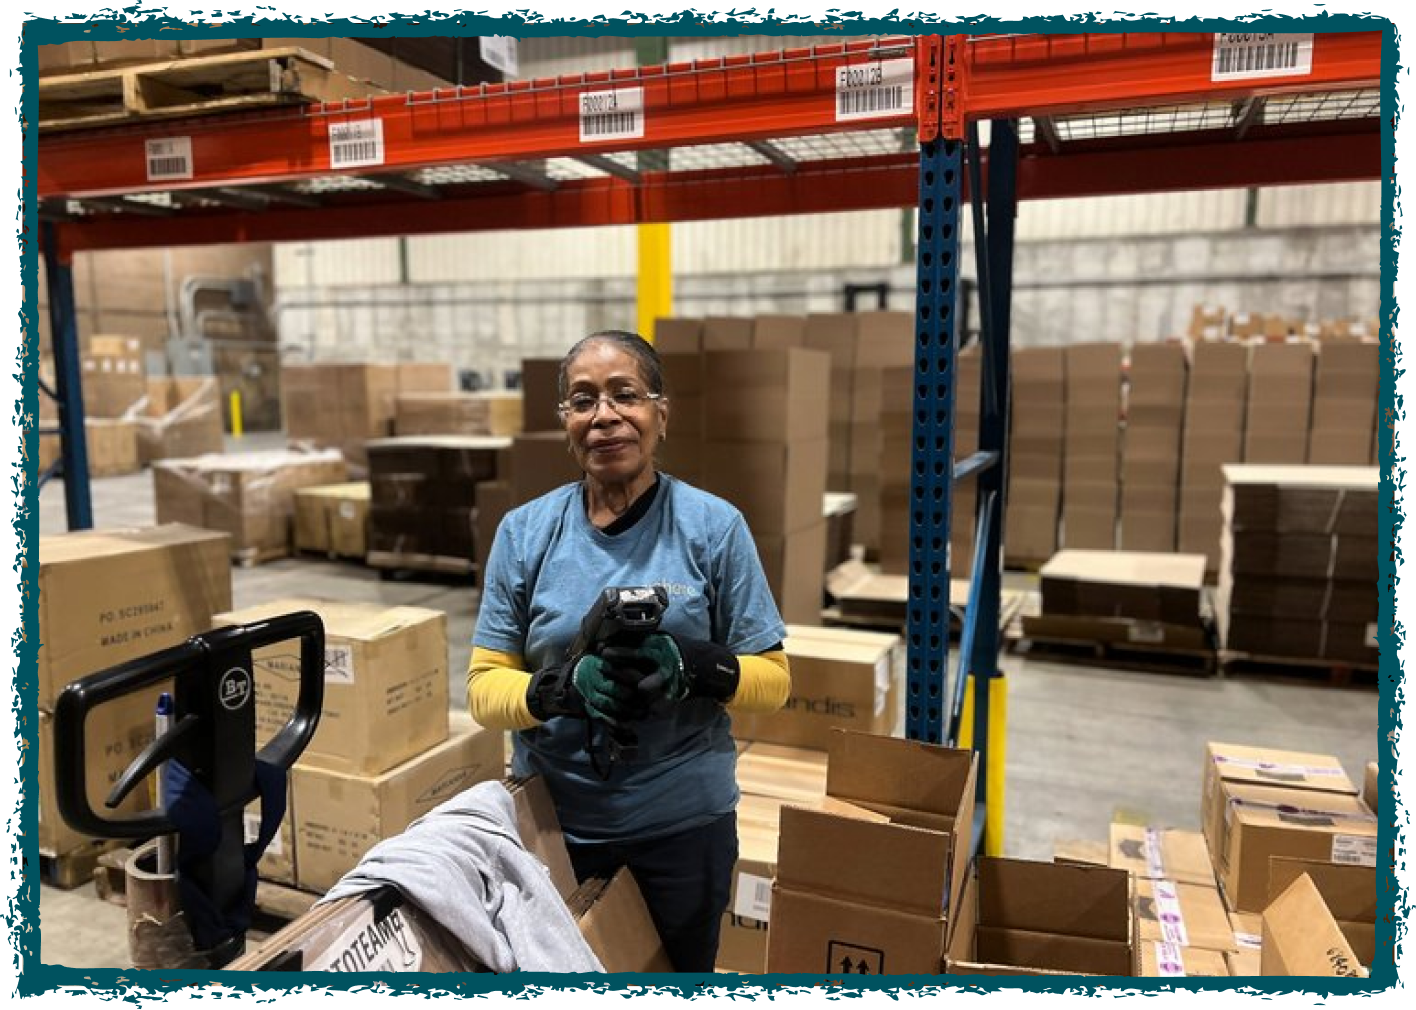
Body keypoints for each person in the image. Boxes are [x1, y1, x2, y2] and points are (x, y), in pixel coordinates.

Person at [467, 329, 792, 973]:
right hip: (555, 830)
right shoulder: (525, 533)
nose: (605, 416)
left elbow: (775, 680)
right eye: (583, 400)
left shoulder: (713, 527)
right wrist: (559, 689)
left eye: (626, 395)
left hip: (683, 830)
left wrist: (695, 666)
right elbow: (483, 688)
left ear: (660, 414)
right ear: (566, 423)